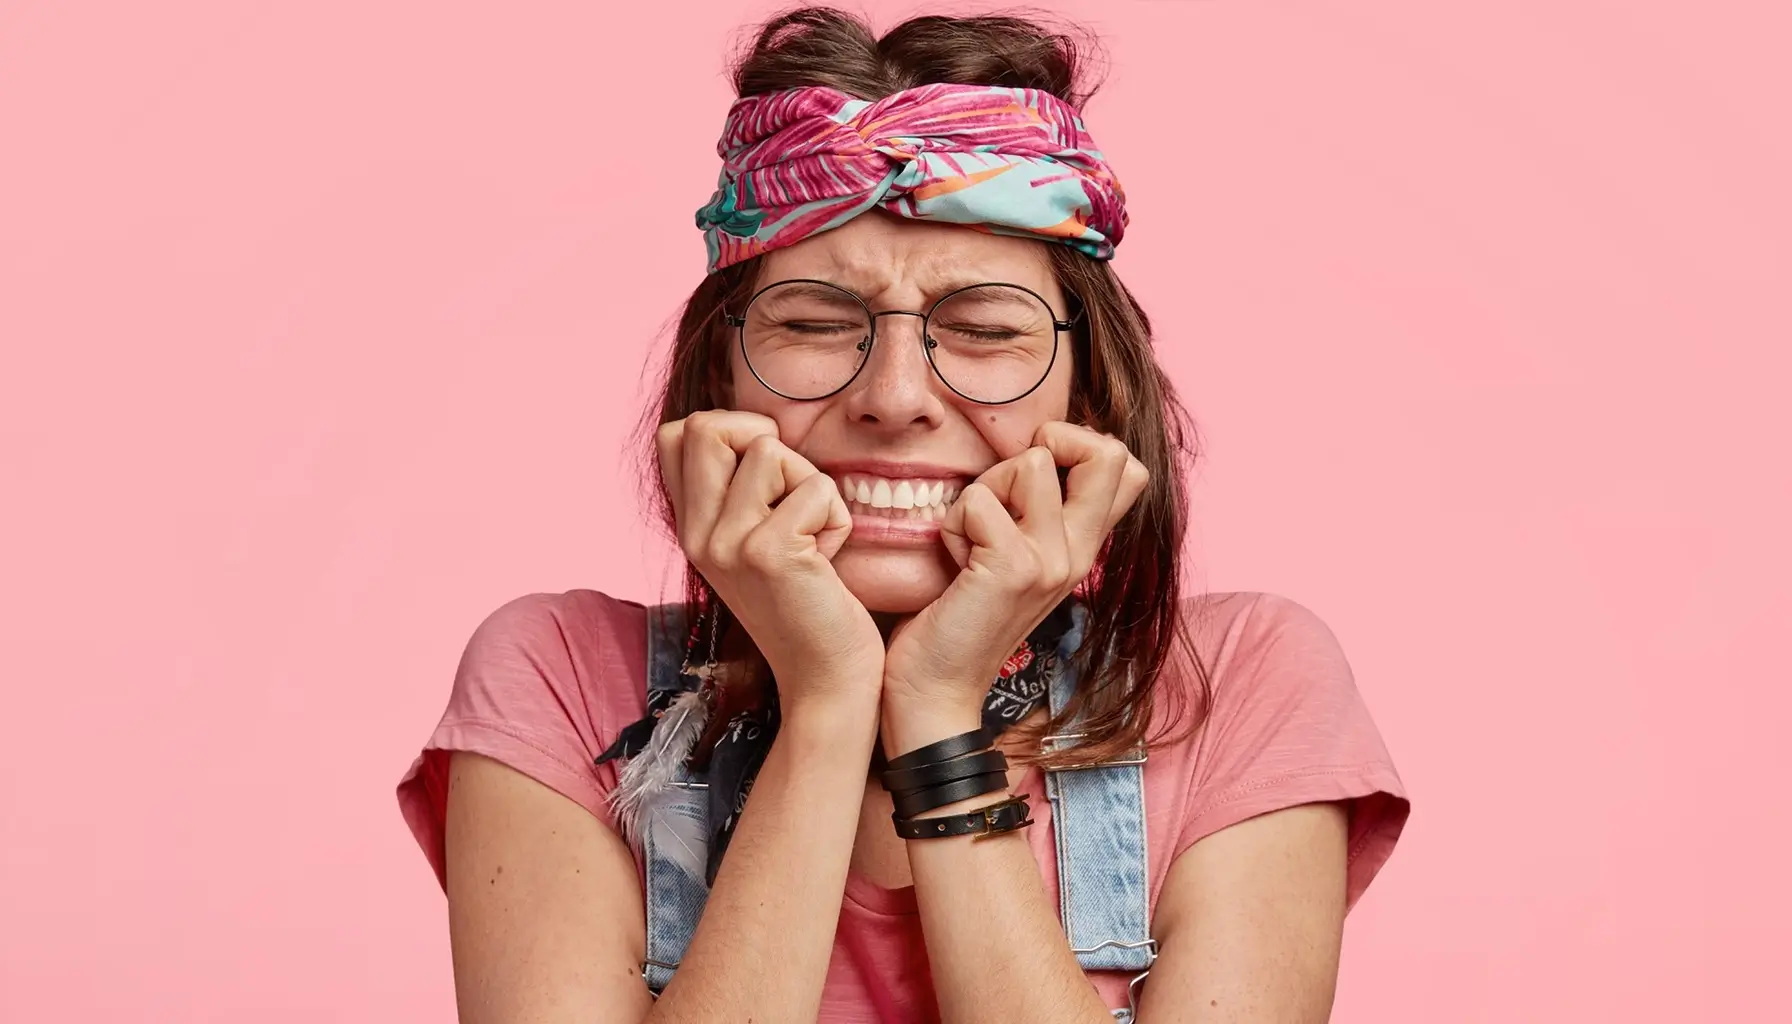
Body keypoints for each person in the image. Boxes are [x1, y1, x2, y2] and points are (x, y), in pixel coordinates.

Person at [397, 8, 1408, 1022]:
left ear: (1092, 398)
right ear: (719, 379)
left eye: (979, 329)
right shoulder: (559, 678)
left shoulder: (1239, 686)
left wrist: (936, 706)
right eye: (812, 322)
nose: (893, 396)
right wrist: (830, 700)